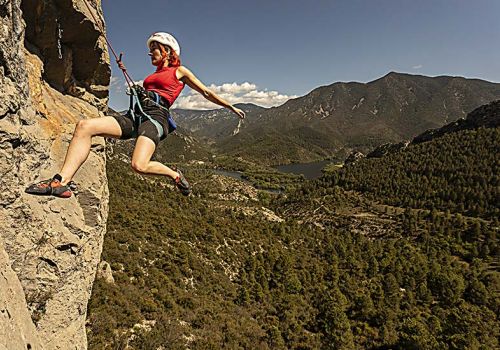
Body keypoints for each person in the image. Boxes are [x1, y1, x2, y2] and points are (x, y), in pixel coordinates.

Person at [25, 32, 245, 198]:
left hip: (155, 118)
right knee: (85, 126)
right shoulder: (153, 75)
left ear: (167, 51)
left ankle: (174, 174)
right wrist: (142, 91)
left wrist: (230, 107)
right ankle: (61, 182)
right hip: (136, 114)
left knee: (139, 165)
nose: (150, 53)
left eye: (155, 49)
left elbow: (205, 92)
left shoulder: (180, 71)